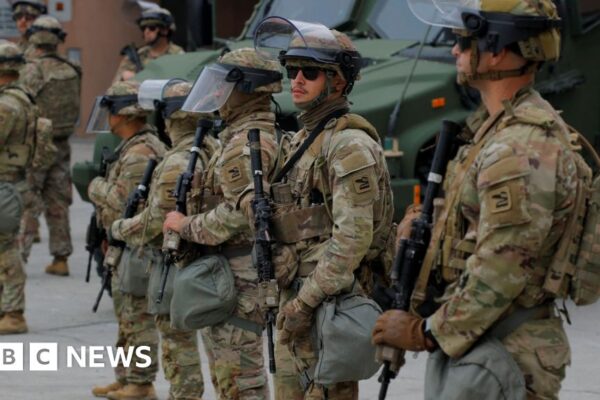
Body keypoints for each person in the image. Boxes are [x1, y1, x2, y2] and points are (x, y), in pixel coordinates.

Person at [372, 1, 578, 399]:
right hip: (482, 345)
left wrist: (426, 332)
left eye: (463, 40)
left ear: (496, 49)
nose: (454, 50)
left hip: (505, 352)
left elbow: (503, 267)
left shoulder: (519, 148)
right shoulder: (496, 131)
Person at [253, 18, 394, 399]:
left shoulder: (348, 145)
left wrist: (304, 303)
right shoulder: (304, 139)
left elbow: (353, 239)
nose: (297, 79)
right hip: (297, 299)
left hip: (326, 307)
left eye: (310, 72)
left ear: (338, 81)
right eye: (292, 70)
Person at [162, 47, 284, 400]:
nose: (216, 93)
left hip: (239, 280)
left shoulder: (246, 144)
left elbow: (240, 214)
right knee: (229, 378)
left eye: (223, 86)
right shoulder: (246, 137)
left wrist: (186, 225)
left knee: (239, 381)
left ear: (245, 88)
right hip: (232, 275)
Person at [109, 80, 219, 400]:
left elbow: (157, 221)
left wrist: (120, 229)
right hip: (205, 260)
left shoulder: (178, 160)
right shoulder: (213, 149)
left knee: (177, 342)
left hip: (178, 263)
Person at [87, 81, 165, 400]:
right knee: (126, 316)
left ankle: (141, 382)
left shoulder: (139, 153)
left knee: (138, 316)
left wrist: (95, 187)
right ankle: (126, 377)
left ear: (124, 114)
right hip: (126, 244)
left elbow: (123, 202)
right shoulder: (133, 146)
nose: (107, 117)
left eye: (111, 111)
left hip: (138, 247)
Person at [19, 15, 81, 276]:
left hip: (36, 144)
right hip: (62, 142)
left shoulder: (31, 68)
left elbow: (22, 102)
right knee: (58, 199)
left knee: (28, 198)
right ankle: (60, 258)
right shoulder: (72, 67)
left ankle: (18, 257)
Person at [0, 41, 45, 334]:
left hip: (4, 183)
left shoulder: (7, 104)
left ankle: (14, 314)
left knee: (6, 249)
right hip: (11, 182)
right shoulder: (21, 97)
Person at [113, 7, 184, 83]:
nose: (146, 31)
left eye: (152, 28)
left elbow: (183, 83)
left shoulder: (178, 55)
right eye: (144, 28)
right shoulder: (136, 56)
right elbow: (115, 86)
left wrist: (139, 79)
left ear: (165, 30)